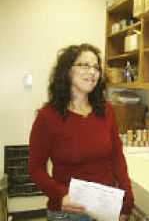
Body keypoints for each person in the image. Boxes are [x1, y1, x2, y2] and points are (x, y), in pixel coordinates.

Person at [28, 43, 134, 221]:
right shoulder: (47, 117)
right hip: (69, 212)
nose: (92, 72)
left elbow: (117, 156)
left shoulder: (106, 111)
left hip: (106, 208)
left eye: (96, 67)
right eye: (85, 65)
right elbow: (35, 168)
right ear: (68, 71)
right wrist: (61, 195)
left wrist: (127, 198)